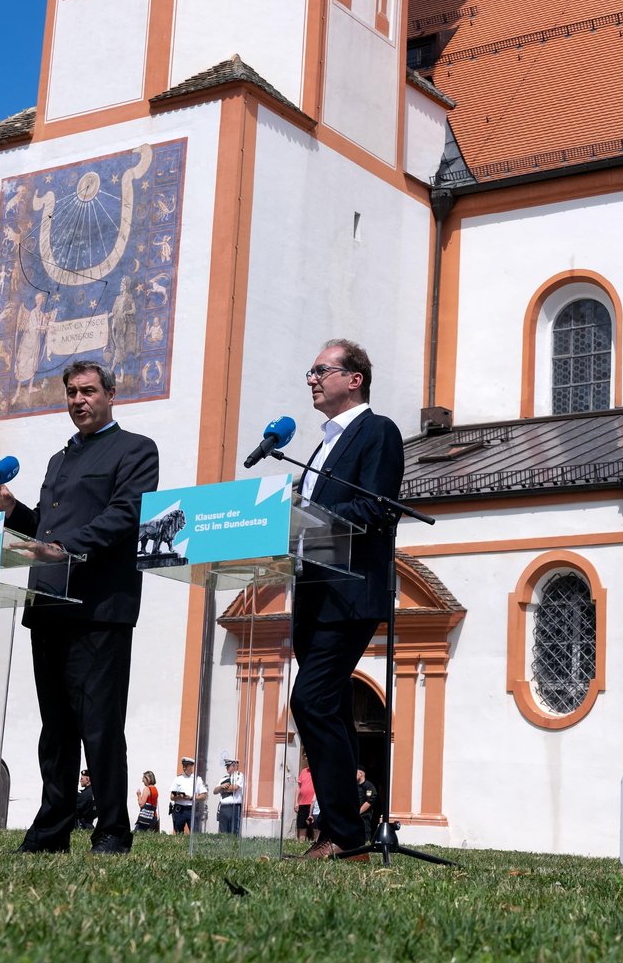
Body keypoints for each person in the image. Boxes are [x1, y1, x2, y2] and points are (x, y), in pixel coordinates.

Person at [0, 359, 159, 856]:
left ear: (111, 394)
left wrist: (65, 548)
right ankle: (52, 828)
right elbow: (44, 535)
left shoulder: (136, 450)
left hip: (99, 607)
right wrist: (11, 509)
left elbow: (126, 514)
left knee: (99, 727)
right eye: (71, 393)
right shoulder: (58, 460)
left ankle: (113, 831)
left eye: (88, 391)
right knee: (55, 731)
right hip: (48, 604)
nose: (79, 400)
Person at [288, 340, 404, 861]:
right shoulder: (318, 446)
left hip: (350, 591)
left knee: (310, 699)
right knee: (327, 704)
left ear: (354, 378)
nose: (311, 379)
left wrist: (314, 518)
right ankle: (342, 839)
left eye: (321, 370)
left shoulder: (376, 431)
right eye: (310, 372)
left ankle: (345, 833)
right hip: (313, 590)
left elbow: (377, 507)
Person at [167, 756, 204, 835]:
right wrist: (179, 796)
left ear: (191, 766)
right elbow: (172, 797)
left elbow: (204, 796)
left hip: (192, 809)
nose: (184, 767)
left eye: (186, 765)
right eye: (183, 765)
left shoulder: (197, 779)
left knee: (195, 834)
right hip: (179, 809)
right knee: (179, 834)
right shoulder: (178, 779)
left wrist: (191, 798)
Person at [215, 757, 243, 836]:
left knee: (234, 831)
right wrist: (221, 787)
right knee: (223, 831)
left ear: (234, 766)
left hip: (234, 807)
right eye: (226, 766)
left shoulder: (239, 776)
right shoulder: (224, 778)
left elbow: (234, 788)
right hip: (224, 808)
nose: (226, 768)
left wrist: (222, 789)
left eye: (228, 766)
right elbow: (215, 791)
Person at [355, 768, 380, 847]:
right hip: (355, 814)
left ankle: (366, 844)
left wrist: (359, 812)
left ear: (361, 774)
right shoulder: (355, 785)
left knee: (365, 830)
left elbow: (369, 801)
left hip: (364, 815)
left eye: (355, 773)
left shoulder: (369, 786)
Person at [295, 764, 316, 843]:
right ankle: (301, 844)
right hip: (303, 803)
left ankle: (314, 844)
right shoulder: (303, 771)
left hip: (314, 804)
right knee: (301, 825)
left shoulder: (318, 771)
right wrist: (296, 802)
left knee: (315, 826)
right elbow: (298, 787)